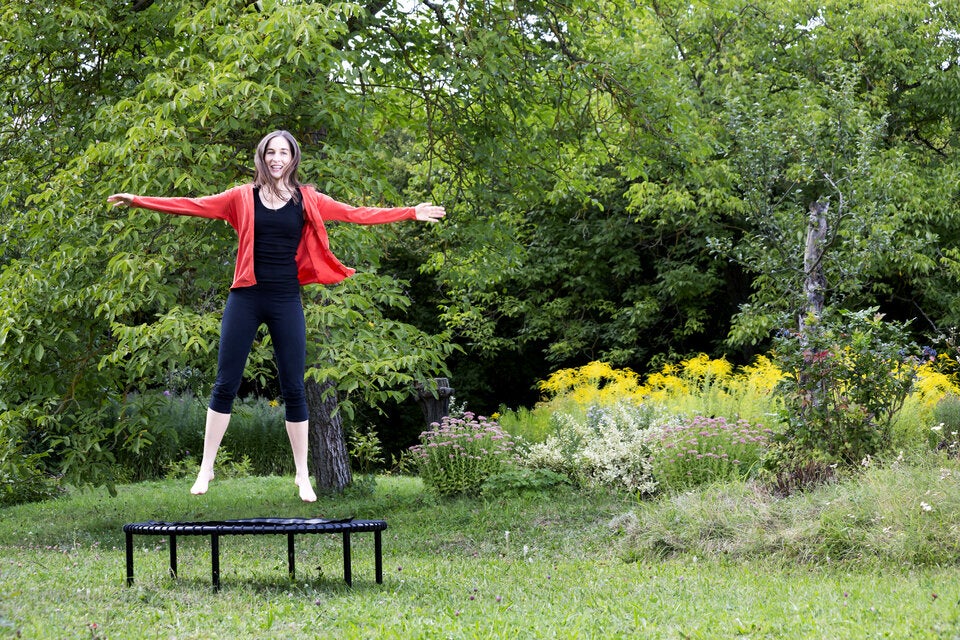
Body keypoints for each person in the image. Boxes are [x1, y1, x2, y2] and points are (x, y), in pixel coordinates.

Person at [108, 130, 445, 502]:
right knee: (225, 383)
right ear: (262, 156)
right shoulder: (241, 196)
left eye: (283, 152)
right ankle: (206, 467)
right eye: (271, 152)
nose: (277, 158)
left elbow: (356, 213)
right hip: (246, 296)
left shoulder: (308, 199)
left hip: (285, 298)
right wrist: (138, 200)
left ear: (293, 158)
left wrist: (410, 212)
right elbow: (193, 205)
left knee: (294, 388)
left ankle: (302, 474)